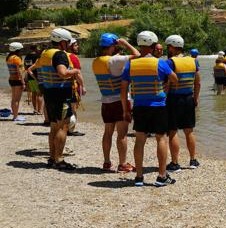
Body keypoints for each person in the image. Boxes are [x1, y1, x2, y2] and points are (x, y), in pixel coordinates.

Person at [120, 31, 178, 187]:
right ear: (153, 46)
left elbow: (123, 88)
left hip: (139, 106)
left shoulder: (131, 64)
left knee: (139, 140)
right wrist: (165, 84)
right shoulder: (160, 63)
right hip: (158, 106)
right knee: (161, 138)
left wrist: (125, 109)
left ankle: (139, 177)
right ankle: (161, 175)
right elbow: (174, 78)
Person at [32, 28, 84, 170]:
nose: (68, 45)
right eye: (67, 42)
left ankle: (52, 157)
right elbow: (62, 73)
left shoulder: (45, 54)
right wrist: (75, 71)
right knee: (63, 126)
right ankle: (59, 159)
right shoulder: (60, 55)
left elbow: (37, 72)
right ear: (62, 42)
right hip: (61, 95)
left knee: (54, 126)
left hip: (49, 94)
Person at [92, 33, 140, 172]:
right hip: (120, 101)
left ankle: (107, 162)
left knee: (108, 132)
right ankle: (123, 163)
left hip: (105, 101)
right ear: (113, 45)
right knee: (122, 134)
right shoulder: (115, 60)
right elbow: (137, 55)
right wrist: (125, 44)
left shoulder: (96, 61)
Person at [164, 35, 201, 172]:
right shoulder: (193, 61)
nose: (168, 49)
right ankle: (193, 160)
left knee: (173, 131)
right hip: (189, 98)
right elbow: (198, 82)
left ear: (172, 47)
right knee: (189, 130)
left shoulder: (170, 62)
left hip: (174, 99)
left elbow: (167, 85)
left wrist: (163, 99)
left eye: (168, 46)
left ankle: (175, 163)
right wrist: (195, 98)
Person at [66, 39, 85, 136]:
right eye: (76, 45)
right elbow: (78, 73)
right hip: (73, 87)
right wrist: (83, 86)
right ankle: (71, 130)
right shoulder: (73, 57)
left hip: (62, 87)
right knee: (73, 109)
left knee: (66, 108)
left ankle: (65, 128)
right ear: (70, 46)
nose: (78, 47)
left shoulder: (60, 55)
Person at [6, 42, 26, 121]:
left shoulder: (8, 58)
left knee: (13, 98)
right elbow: (20, 72)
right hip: (17, 80)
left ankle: (15, 115)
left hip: (11, 79)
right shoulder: (17, 58)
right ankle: (15, 117)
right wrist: (23, 82)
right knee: (17, 99)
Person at [23, 45, 43, 116]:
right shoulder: (37, 56)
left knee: (34, 94)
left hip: (30, 77)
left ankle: (35, 109)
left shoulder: (26, 57)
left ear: (30, 48)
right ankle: (40, 110)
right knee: (39, 94)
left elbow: (25, 67)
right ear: (36, 48)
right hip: (38, 77)